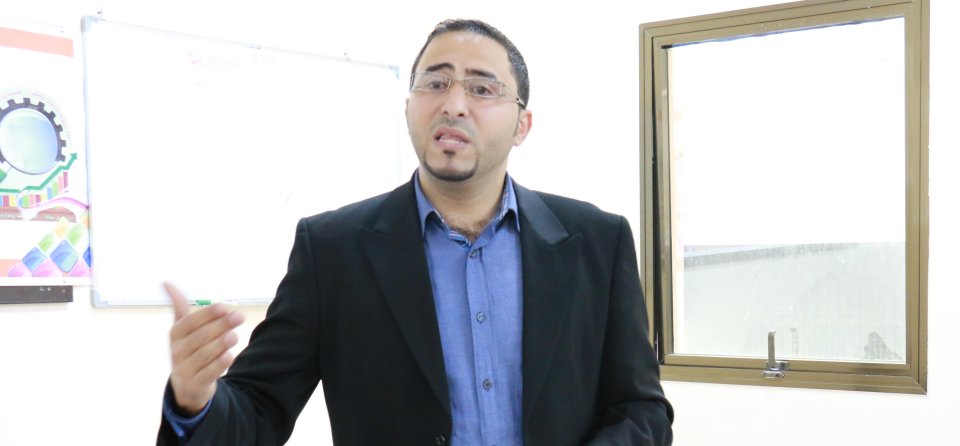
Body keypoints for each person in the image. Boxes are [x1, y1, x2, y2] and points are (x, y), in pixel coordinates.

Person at [157, 18, 673, 446]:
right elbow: (258, 410)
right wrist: (195, 400)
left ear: (522, 125)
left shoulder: (596, 242)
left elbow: (641, 410)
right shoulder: (334, 250)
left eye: (482, 88)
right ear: (408, 107)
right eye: (435, 83)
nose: (454, 104)